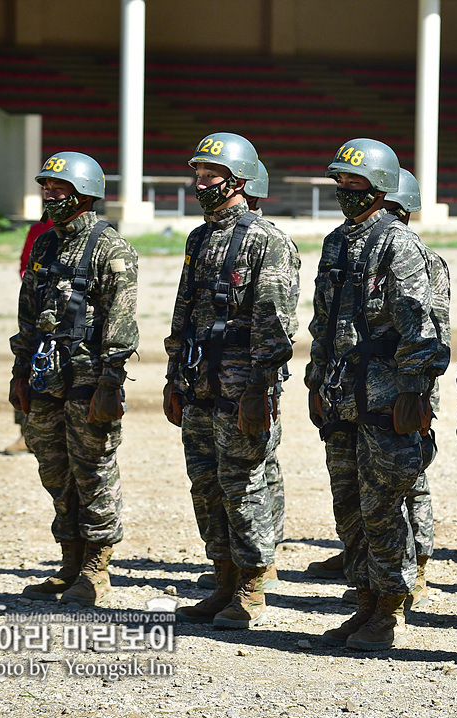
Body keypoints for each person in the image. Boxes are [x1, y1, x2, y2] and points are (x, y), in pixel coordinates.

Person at [307, 139, 448, 651]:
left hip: (386, 400)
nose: (345, 190)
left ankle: (389, 611)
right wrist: (315, 380)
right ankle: (364, 599)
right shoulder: (335, 243)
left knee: (383, 506)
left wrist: (414, 391)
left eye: (356, 182)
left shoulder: (399, 245)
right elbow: (322, 323)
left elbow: (423, 328)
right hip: (342, 395)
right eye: (340, 181)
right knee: (348, 504)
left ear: (381, 188)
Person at [164, 133, 300, 629]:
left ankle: (251, 586)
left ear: (238, 181)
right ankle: (222, 578)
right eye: (197, 173)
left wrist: (261, 389)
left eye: (210, 174)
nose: (200, 182)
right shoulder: (199, 238)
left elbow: (275, 321)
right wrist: (173, 375)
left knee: (244, 485)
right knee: (206, 484)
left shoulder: (267, 241)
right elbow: (184, 311)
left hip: (243, 386)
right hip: (199, 382)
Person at [11, 151, 138, 607]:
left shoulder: (111, 248)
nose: (49, 194)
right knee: (54, 469)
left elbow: (122, 325)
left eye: (59, 188)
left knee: (93, 470)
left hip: (88, 383)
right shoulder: (45, 244)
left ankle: (96, 569)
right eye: (46, 186)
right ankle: (70, 561)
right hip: (46, 378)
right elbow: (28, 313)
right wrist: (19, 371)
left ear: (85, 195)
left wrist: (109, 383)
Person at [5, 215, 54, 456]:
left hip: (71, 317)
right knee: (26, 365)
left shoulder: (92, 234)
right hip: (37, 311)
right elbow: (25, 265)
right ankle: (25, 434)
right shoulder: (38, 230)